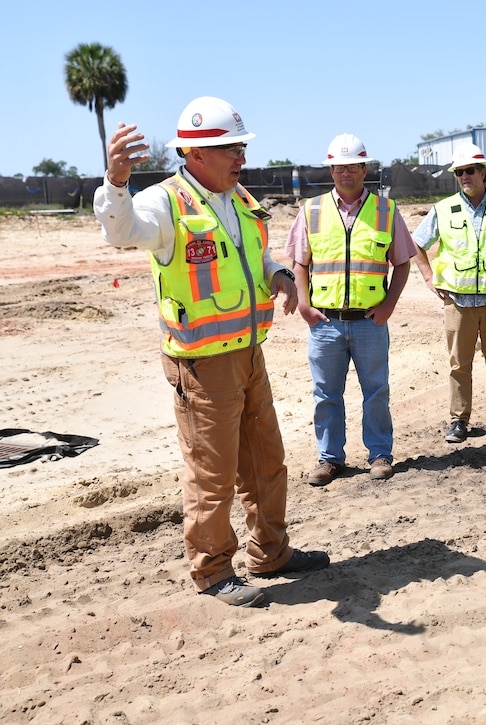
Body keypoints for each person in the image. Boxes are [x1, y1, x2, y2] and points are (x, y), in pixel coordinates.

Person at [93, 97, 329, 607]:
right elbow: (120, 231)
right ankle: (213, 569)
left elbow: (253, 258)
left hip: (249, 353)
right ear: (196, 153)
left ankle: (270, 552)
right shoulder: (164, 203)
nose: (239, 157)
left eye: (240, 146)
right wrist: (115, 183)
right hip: (201, 366)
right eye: (229, 148)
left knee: (267, 462)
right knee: (212, 474)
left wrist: (280, 276)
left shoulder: (238, 198)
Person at [284, 134, 415, 486]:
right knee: (326, 393)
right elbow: (299, 263)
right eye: (339, 167)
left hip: (370, 321)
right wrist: (305, 306)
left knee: (376, 391)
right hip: (325, 323)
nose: (346, 173)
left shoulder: (386, 211)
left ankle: (379, 454)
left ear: (364, 168)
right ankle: (330, 459)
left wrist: (389, 305)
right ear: (331, 170)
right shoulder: (311, 211)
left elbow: (402, 263)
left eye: (352, 166)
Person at [412, 143, 486, 444]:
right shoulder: (443, 209)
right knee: (458, 364)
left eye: (470, 171)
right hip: (458, 302)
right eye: (459, 172)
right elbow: (416, 245)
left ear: (482, 173)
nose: (464, 176)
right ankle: (459, 420)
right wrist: (429, 277)